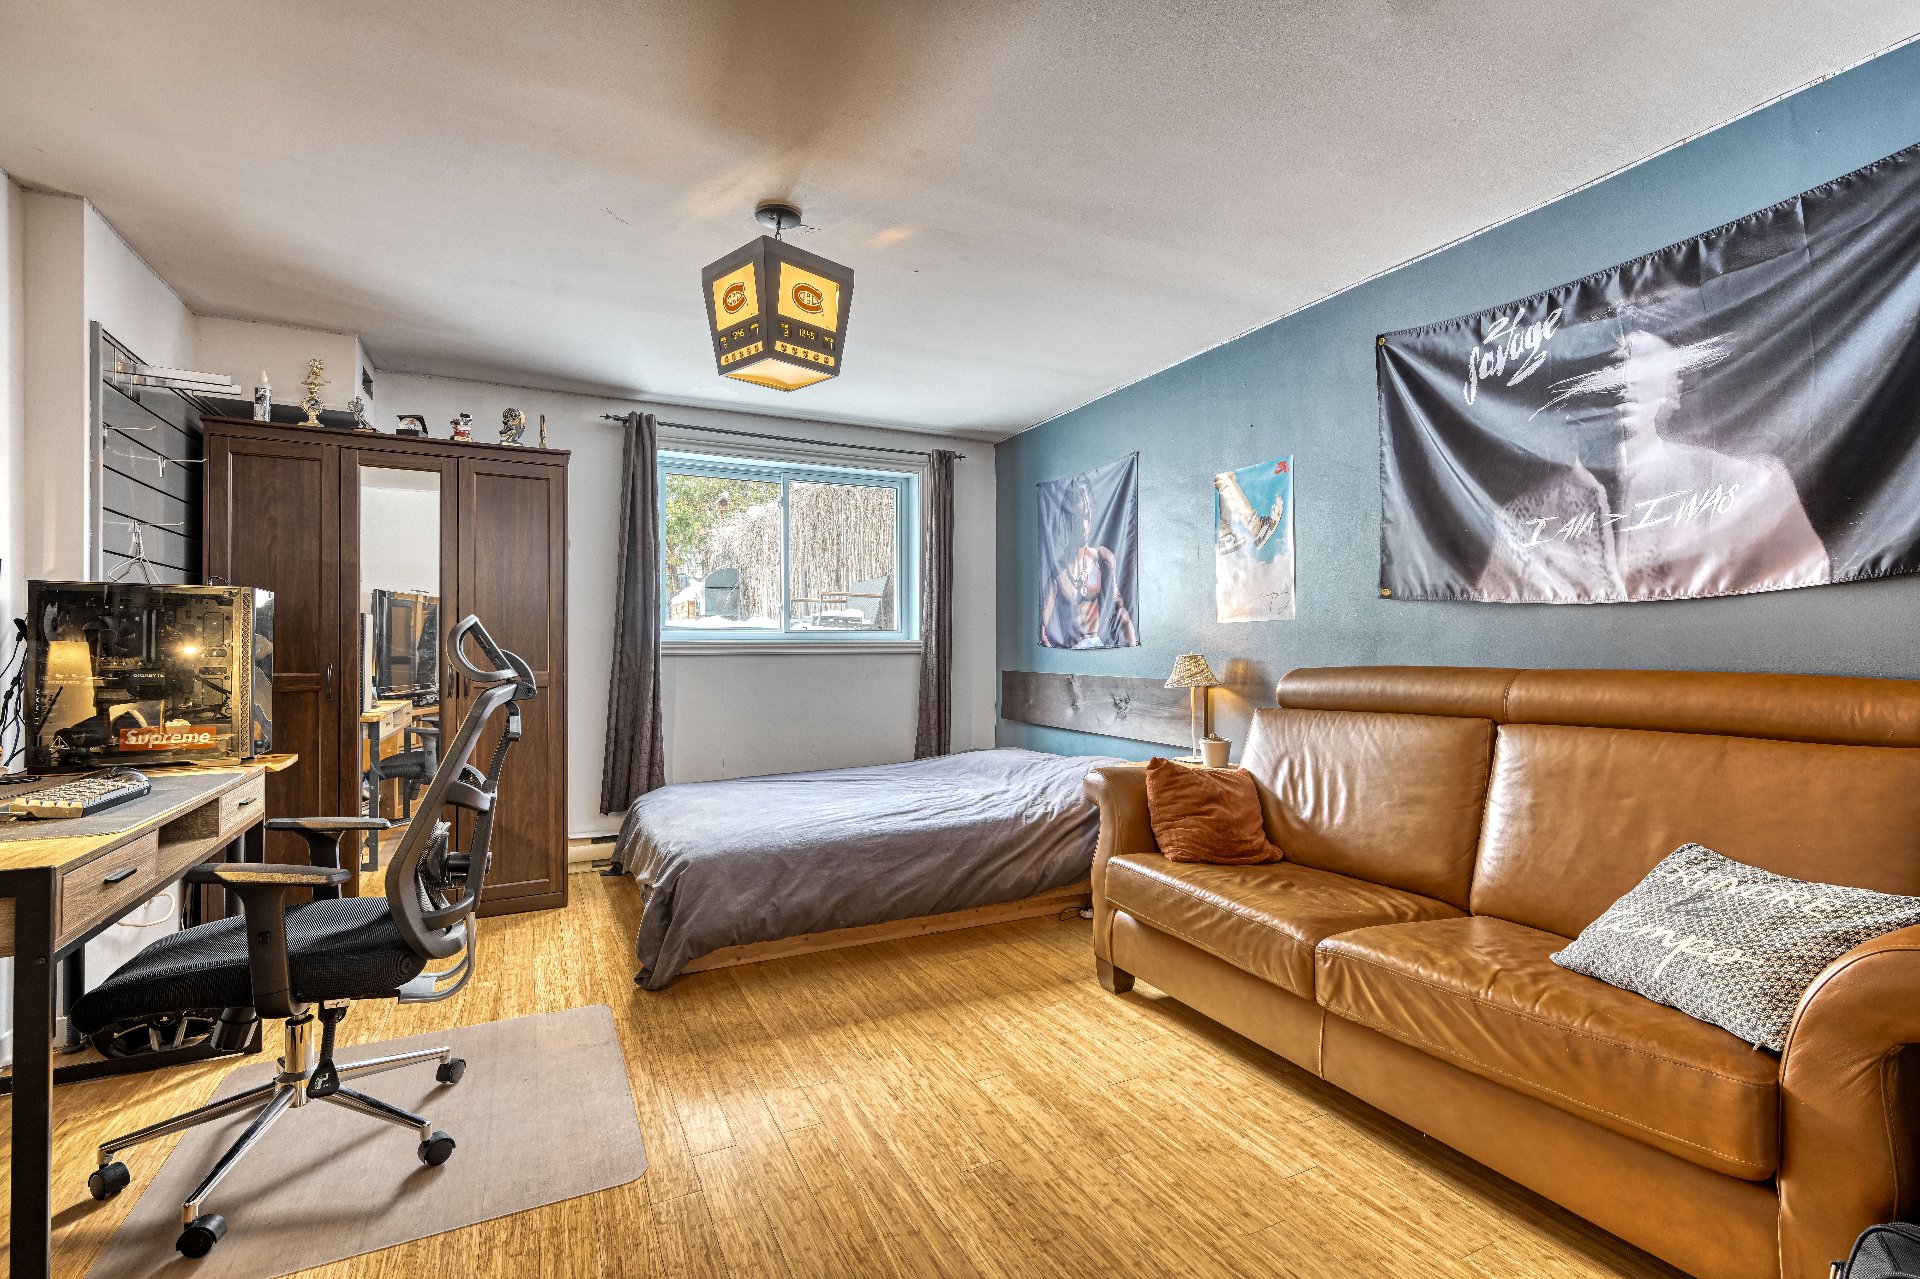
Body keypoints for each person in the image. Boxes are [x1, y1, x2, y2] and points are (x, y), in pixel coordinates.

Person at [1477, 324, 1829, 602]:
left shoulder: (1746, 485)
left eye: (1639, 361)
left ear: (1673, 388)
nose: (1620, 378)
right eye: (1603, 364)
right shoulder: (1523, 521)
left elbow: (1804, 591)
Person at [1040, 476, 1138, 648]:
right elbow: (1043, 624)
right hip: (1073, 649)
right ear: (1069, 520)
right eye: (1078, 517)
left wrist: (1131, 641)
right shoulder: (1059, 569)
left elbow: (1119, 606)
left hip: (1097, 645)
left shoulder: (1102, 557)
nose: (1084, 524)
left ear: (1092, 515)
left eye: (1086, 516)